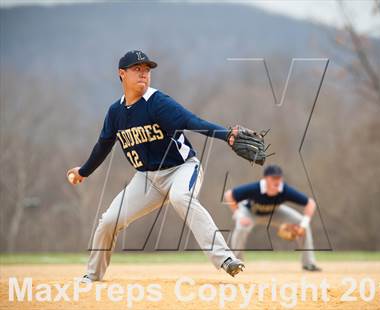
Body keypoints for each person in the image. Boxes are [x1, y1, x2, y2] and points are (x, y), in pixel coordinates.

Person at [67, 50, 247, 281]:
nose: (144, 74)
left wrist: (226, 135)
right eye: (137, 69)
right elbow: (103, 145)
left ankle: (225, 259)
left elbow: (192, 121)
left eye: (147, 70)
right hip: (146, 178)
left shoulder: (157, 102)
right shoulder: (115, 113)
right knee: (109, 221)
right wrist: (83, 171)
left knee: (181, 197)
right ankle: (92, 275)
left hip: (181, 169)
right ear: (122, 74)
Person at [224, 164, 322, 271]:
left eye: (279, 178)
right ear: (265, 178)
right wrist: (239, 215)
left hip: (274, 212)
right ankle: (236, 263)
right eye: (273, 178)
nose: (277, 180)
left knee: (303, 225)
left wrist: (303, 225)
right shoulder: (255, 188)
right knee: (241, 227)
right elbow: (229, 195)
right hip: (250, 212)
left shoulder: (284, 190)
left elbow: (310, 203)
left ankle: (308, 263)